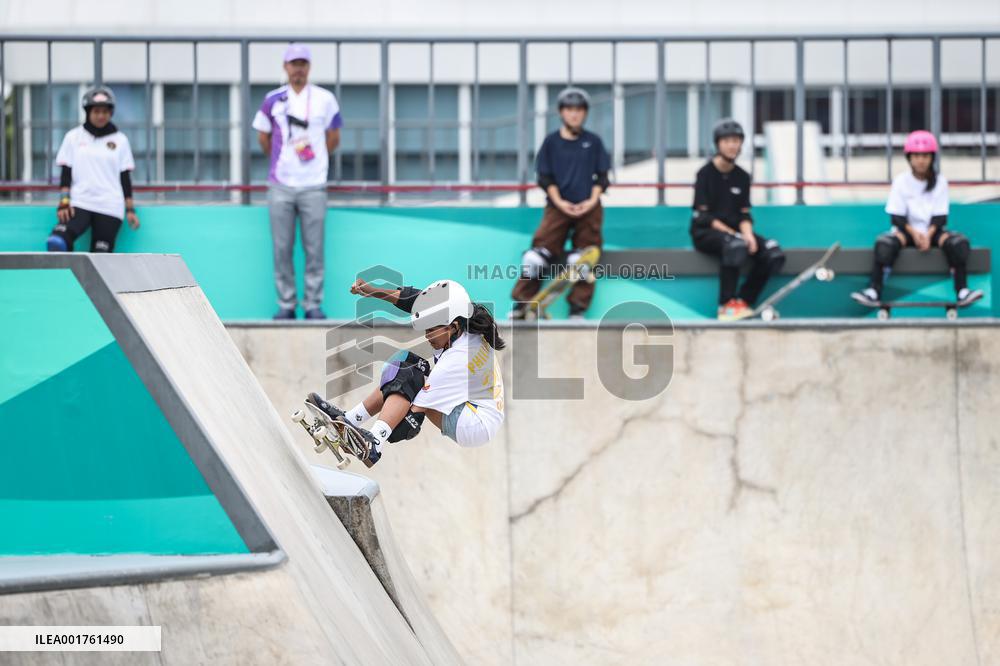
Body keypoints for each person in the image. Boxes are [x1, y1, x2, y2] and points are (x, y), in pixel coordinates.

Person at [307, 278, 505, 467]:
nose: (427, 336)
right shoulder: (465, 317)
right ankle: (350, 420)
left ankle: (373, 443)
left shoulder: (456, 360)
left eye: (431, 330)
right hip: (482, 410)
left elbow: (409, 422)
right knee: (407, 364)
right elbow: (411, 299)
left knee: (406, 375)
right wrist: (371, 290)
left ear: (452, 327)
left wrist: (366, 440)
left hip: (472, 424)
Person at [253, 43, 343, 320]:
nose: (298, 68)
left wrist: (316, 162)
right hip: (280, 185)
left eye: (303, 63)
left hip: (314, 185)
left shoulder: (325, 99)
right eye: (294, 63)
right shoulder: (273, 99)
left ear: (309, 67)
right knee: (282, 248)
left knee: (314, 248)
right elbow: (263, 137)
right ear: (286, 66)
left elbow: (334, 136)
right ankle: (287, 303)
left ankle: (313, 303)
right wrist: (283, 160)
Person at [510, 87, 610, 320]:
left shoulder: (593, 142)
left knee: (583, 261)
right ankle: (522, 305)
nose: (574, 115)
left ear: (584, 113)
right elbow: (545, 179)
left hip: (589, 207)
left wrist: (590, 201)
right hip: (557, 206)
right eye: (569, 110)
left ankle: (577, 309)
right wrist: (561, 203)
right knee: (534, 258)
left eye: (578, 110)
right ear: (561, 113)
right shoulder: (551, 143)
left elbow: (602, 178)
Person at [851, 130, 982, 307]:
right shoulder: (901, 182)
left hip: (933, 232)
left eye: (925, 155)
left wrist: (928, 235)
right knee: (884, 245)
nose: (921, 160)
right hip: (906, 231)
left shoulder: (940, 182)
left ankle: (962, 291)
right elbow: (897, 217)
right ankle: (874, 291)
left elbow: (940, 217)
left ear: (932, 158)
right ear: (909, 158)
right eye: (917, 155)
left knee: (958, 244)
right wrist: (915, 234)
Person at [690, 118, 785, 321]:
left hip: (736, 232)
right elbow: (703, 216)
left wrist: (748, 235)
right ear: (718, 144)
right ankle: (726, 304)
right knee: (736, 246)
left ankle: (742, 301)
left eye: (736, 140)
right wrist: (736, 235)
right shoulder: (705, 174)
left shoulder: (742, 176)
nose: (733, 145)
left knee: (772, 253)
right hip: (706, 232)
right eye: (727, 141)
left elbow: (744, 213)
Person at [46, 86, 139, 253]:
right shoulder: (73, 137)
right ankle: (66, 279)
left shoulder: (120, 140)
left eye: (105, 111)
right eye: (96, 111)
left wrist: (130, 209)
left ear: (111, 113)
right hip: (80, 202)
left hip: (110, 205)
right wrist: (64, 202)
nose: (101, 115)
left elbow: (125, 177)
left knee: (100, 258)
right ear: (88, 112)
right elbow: (66, 174)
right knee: (57, 242)